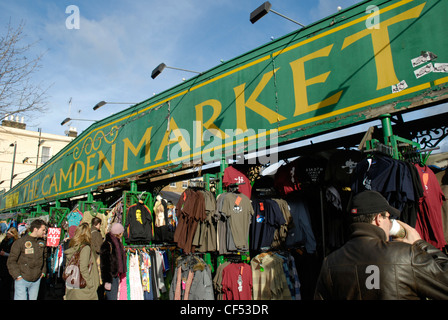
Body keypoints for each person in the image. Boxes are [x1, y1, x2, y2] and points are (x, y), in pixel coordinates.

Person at [314, 190, 448, 300]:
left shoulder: (330, 263)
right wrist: (420, 244)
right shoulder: (407, 255)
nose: (390, 224)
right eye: (388, 218)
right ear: (378, 219)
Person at [7, 219, 47, 300]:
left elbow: (44, 258)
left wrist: (43, 272)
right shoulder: (20, 242)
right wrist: (17, 276)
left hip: (36, 279)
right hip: (22, 279)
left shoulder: (42, 243)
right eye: (43, 230)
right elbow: (11, 261)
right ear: (35, 229)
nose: (45, 232)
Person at [64, 222, 100, 300]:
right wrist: (91, 284)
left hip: (73, 286)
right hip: (84, 288)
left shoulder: (73, 248)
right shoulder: (85, 248)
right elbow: (83, 268)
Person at [100, 223, 126, 300]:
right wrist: (107, 281)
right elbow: (104, 264)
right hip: (110, 277)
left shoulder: (118, 243)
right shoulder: (107, 244)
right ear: (119, 233)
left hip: (116, 276)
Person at [0, 227, 19, 299]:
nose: (7, 235)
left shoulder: (15, 242)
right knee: (3, 282)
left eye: (9, 233)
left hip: (10, 264)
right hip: (2, 263)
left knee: (7, 282)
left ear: (13, 234)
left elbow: (15, 255)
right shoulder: (4, 241)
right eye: (7, 233)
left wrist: (5, 254)